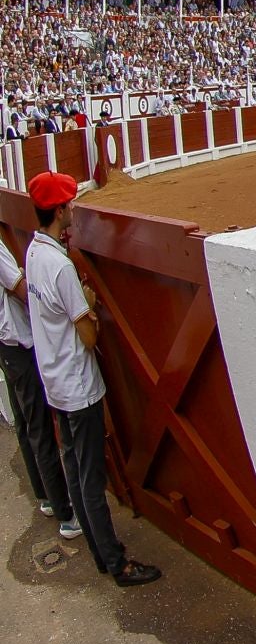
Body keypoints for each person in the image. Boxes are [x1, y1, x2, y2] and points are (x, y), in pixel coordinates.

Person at [24, 171, 162, 587]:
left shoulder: (33, 253)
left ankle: (101, 555)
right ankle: (115, 562)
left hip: (54, 379)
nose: (73, 210)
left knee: (75, 465)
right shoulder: (59, 267)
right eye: (70, 204)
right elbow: (86, 335)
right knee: (90, 476)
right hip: (76, 383)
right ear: (61, 210)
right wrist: (89, 305)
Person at [0, 233, 79, 541]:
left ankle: (45, 495)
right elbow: (18, 287)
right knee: (38, 426)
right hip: (17, 341)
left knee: (25, 420)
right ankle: (65, 512)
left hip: (6, 343)